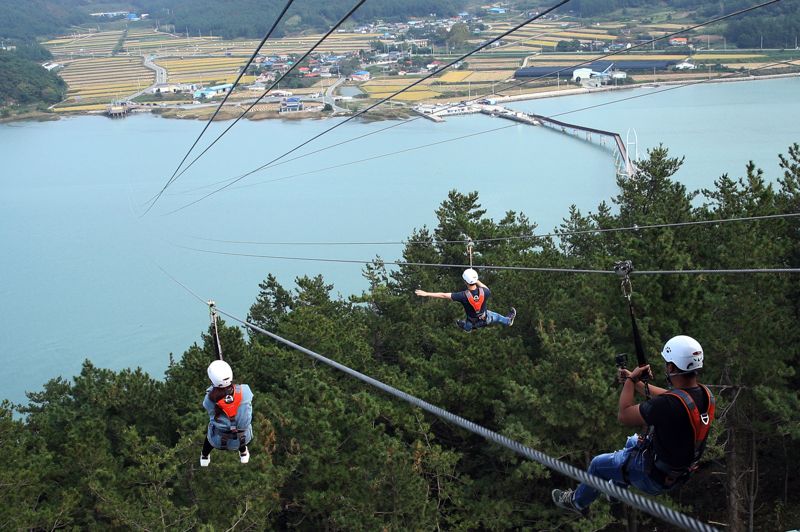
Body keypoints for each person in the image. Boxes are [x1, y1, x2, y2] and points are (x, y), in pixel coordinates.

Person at [552, 335, 715, 516]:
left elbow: (624, 415)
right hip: (677, 474)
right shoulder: (705, 395)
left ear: (671, 367)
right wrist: (635, 382)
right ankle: (616, 491)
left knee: (598, 465)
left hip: (653, 477)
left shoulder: (668, 405)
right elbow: (672, 397)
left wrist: (630, 382)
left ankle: (576, 502)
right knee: (632, 441)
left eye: (666, 364)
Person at [414, 268, 516, 332]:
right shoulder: (485, 292)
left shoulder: (463, 296)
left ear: (465, 282)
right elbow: (486, 287)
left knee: (468, 326)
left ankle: (467, 328)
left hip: (472, 322)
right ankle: (508, 321)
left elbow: (444, 295)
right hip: (486, 319)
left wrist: (427, 293)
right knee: (497, 317)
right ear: (475, 281)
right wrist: (476, 279)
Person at [200, 360, 254, 467]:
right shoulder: (245, 390)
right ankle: (243, 452)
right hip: (244, 437)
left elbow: (210, 402)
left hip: (218, 440)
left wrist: (213, 389)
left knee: (212, 426)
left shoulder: (209, 400)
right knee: (239, 423)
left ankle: (205, 456)